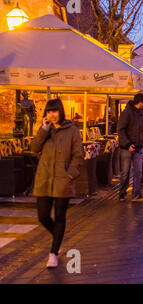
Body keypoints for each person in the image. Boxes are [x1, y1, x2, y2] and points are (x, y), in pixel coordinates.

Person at [30, 99, 83, 268]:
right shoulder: (45, 131)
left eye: (55, 111)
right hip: (44, 179)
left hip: (63, 181)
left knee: (60, 217)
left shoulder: (72, 131)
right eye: (49, 111)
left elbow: (78, 155)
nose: (52, 115)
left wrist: (70, 175)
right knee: (43, 215)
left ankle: (53, 252)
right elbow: (34, 148)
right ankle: (57, 237)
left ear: (61, 112)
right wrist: (44, 130)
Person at [117, 93, 143, 201]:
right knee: (125, 172)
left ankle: (136, 194)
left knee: (138, 171)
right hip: (127, 148)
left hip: (138, 147)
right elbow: (120, 130)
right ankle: (122, 193)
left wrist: (142, 141)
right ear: (140, 102)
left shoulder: (142, 114)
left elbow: (140, 130)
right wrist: (127, 144)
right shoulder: (127, 113)